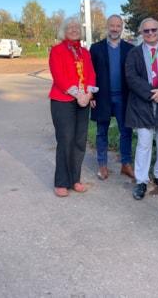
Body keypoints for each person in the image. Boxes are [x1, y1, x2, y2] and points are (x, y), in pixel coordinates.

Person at [125, 18, 158, 200]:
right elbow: (131, 77)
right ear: (141, 33)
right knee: (144, 143)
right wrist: (150, 93)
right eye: (146, 31)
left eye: (153, 30)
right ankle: (141, 181)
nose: (150, 33)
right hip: (142, 104)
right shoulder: (134, 53)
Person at [49, 18, 96, 197]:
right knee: (65, 140)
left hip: (83, 100)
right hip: (63, 100)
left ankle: (75, 179)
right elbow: (58, 76)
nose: (74, 30)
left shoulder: (84, 52)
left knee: (79, 141)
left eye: (77, 27)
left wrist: (89, 94)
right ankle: (61, 181)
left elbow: (91, 73)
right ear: (64, 31)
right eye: (70, 28)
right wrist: (78, 95)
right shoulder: (57, 50)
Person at [90, 15, 135, 180]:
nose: (115, 29)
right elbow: (90, 73)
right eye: (112, 26)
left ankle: (126, 164)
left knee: (126, 131)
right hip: (103, 97)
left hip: (123, 97)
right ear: (107, 27)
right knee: (102, 131)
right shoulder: (96, 48)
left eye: (118, 26)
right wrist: (92, 95)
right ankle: (102, 165)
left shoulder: (129, 49)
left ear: (122, 28)